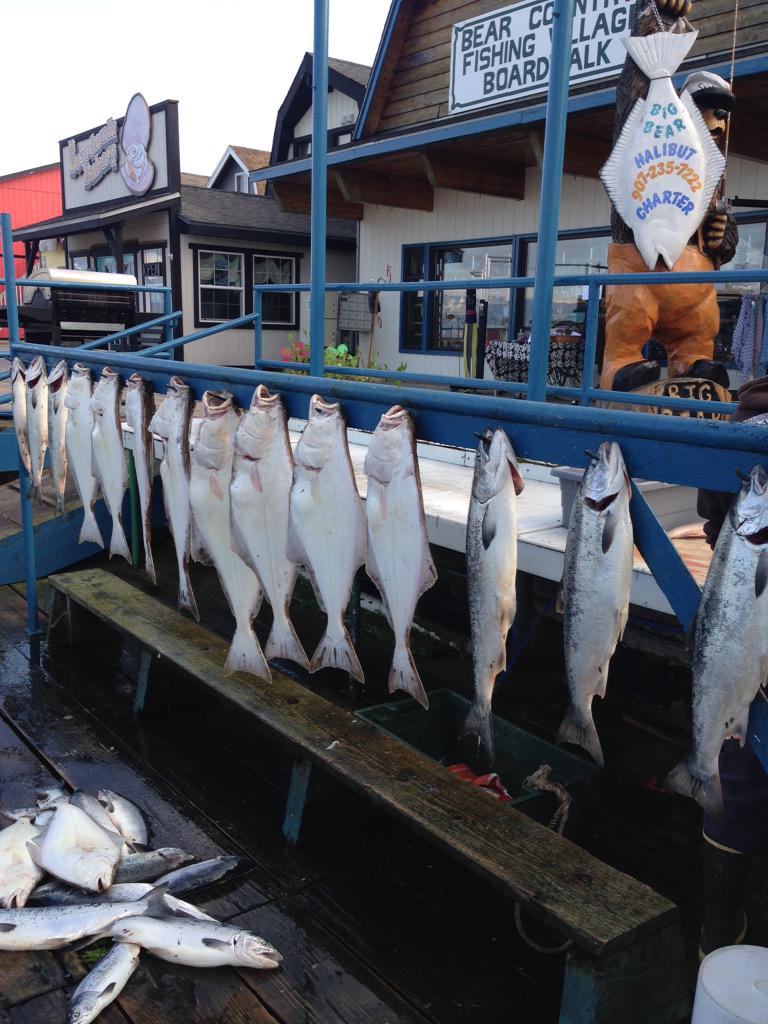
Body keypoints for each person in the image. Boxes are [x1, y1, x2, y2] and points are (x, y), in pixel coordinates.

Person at [600, 0, 739, 393]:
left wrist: (725, 237)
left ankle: (692, 359)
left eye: (721, 115)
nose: (715, 122)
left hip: (694, 297)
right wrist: (658, 19)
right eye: (705, 110)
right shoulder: (649, 141)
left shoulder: (715, 180)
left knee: (700, 335)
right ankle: (621, 365)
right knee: (629, 314)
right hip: (639, 276)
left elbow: (722, 247)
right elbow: (632, 99)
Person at [696, 375, 768, 956]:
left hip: (737, 622)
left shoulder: (738, 424)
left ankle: (718, 930)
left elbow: (712, 516)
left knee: (735, 765)